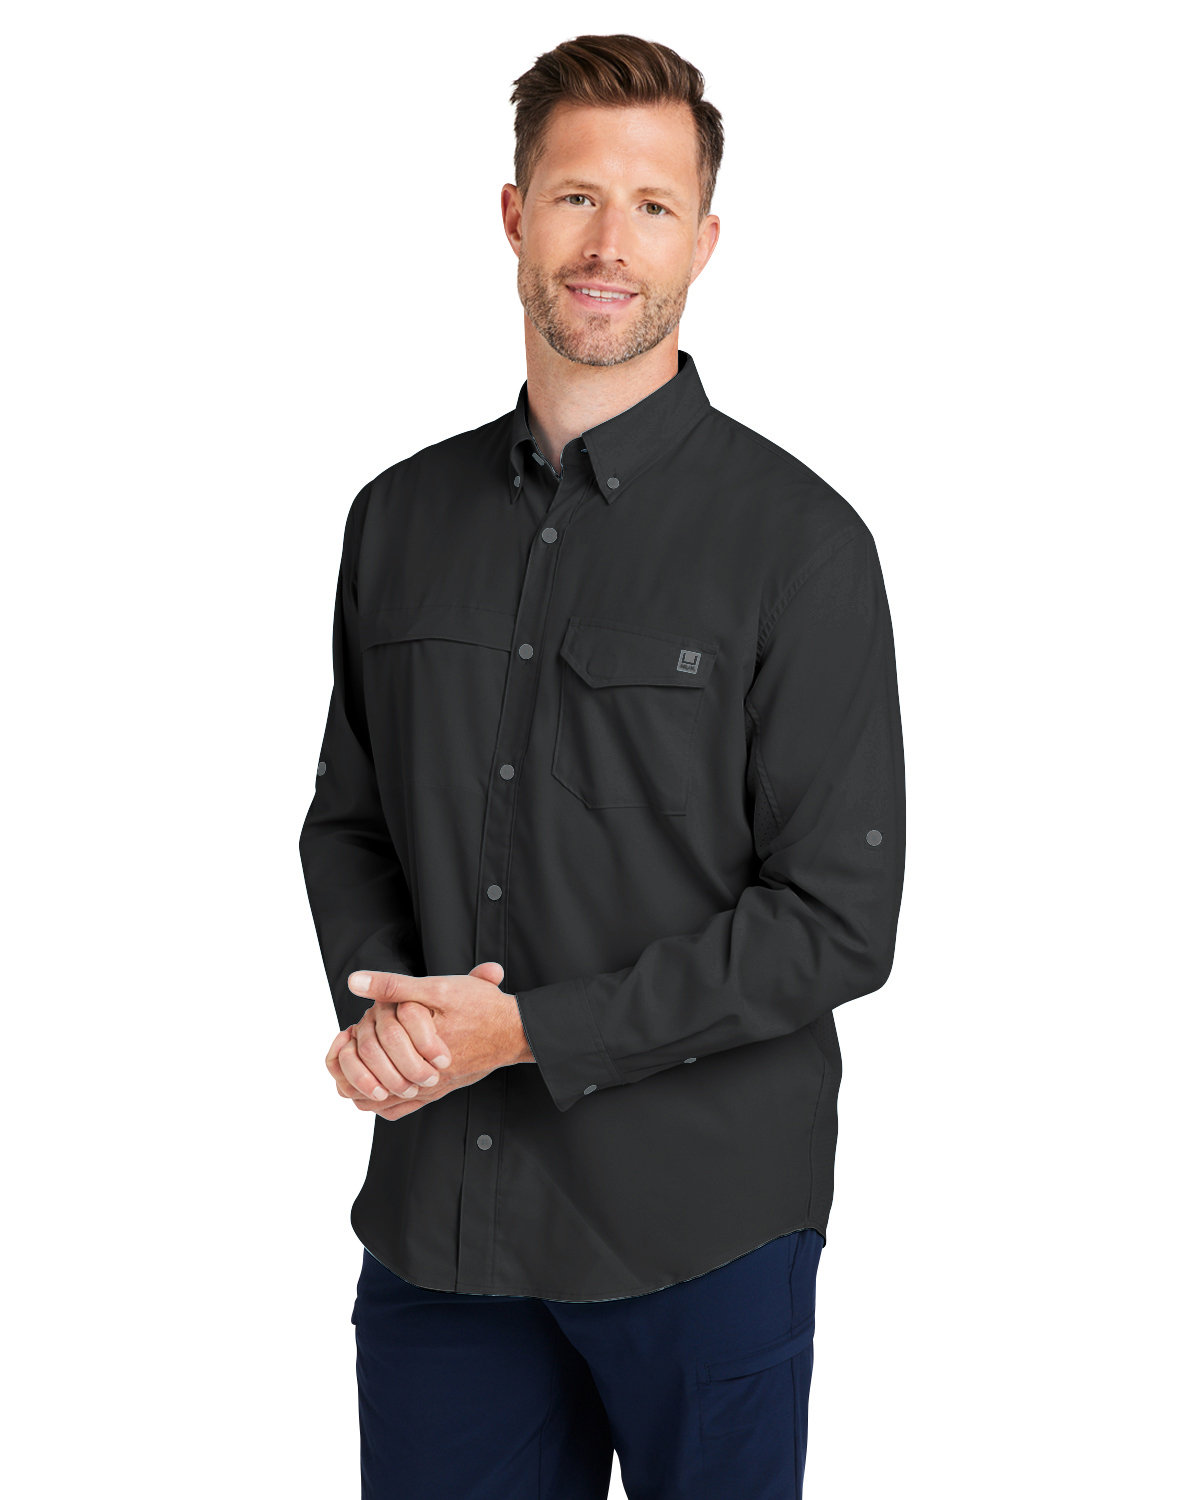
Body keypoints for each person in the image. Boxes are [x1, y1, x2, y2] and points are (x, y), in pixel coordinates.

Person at [299, 31, 906, 1500]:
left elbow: (837, 920)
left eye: (650, 205)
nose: (607, 245)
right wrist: (390, 1017)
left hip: (701, 1232)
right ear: (516, 216)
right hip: (446, 1227)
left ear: (705, 239)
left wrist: (528, 1034)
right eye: (576, 196)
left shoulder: (803, 547)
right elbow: (350, 820)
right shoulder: (398, 519)